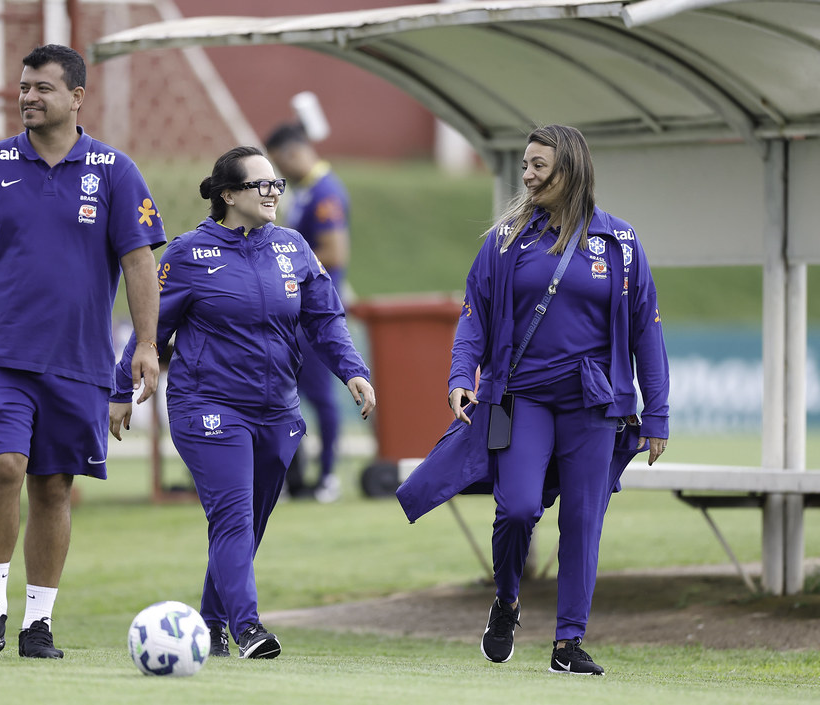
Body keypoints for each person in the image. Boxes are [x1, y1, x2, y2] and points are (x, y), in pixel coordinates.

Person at [0, 44, 165, 659]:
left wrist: (146, 345)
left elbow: (140, 263)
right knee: (4, 466)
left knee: (54, 487)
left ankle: (39, 623)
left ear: (77, 97)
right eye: (23, 87)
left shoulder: (114, 170)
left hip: (79, 360)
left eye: (42, 88)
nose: (27, 96)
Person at [397, 125, 668, 675]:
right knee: (517, 508)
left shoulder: (620, 243)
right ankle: (508, 599)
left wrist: (656, 413)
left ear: (570, 169)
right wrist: (460, 376)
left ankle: (568, 644)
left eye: (538, 165)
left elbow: (647, 332)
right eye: (525, 164)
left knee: (583, 523)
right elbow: (474, 311)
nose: (527, 174)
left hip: (593, 406)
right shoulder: (505, 240)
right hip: (520, 400)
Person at [109, 146, 375, 659]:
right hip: (206, 405)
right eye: (262, 185)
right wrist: (122, 388)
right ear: (229, 195)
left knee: (248, 524)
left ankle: (209, 625)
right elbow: (151, 329)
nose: (275, 192)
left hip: (277, 410)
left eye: (277, 184)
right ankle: (248, 626)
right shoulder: (189, 253)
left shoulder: (294, 247)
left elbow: (324, 320)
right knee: (232, 516)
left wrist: (353, 371)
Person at [265, 123, 352, 502]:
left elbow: (335, 253)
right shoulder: (305, 193)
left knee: (319, 394)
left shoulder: (325, 193)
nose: (277, 171)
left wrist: (285, 262)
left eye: (277, 162)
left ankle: (329, 475)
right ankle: (295, 477)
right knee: (288, 393)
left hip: (317, 312)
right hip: (297, 310)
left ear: (293, 152)